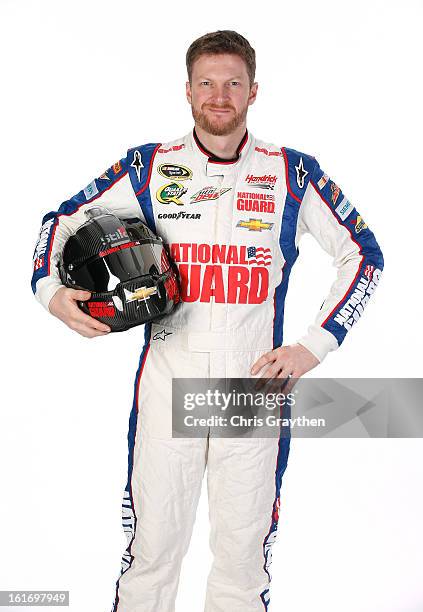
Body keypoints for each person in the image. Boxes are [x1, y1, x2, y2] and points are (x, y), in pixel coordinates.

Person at [31, 30, 384, 612]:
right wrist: (50, 291)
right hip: (169, 383)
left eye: (233, 84)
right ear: (188, 91)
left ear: (252, 92)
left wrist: (313, 346)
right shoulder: (149, 167)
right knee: (152, 554)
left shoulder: (291, 172)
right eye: (207, 83)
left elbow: (363, 253)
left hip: (252, 388)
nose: (219, 95)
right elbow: (61, 220)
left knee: (242, 563)